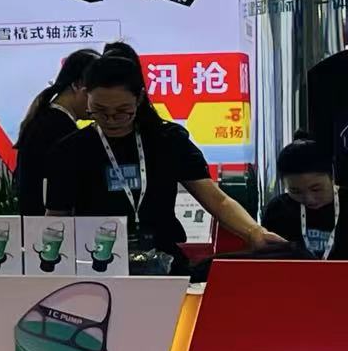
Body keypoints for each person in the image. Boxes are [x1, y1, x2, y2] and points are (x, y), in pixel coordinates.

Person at [45, 57, 278, 270]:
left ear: (139, 98)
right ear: (86, 96)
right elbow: (56, 216)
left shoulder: (168, 140)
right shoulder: (70, 150)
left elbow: (218, 201)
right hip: (97, 264)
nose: (111, 120)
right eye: (99, 111)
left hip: (164, 262)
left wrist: (254, 232)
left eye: (122, 111)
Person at [258, 135, 348, 260]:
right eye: (295, 191)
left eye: (316, 189)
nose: (309, 199)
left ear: (332, 176)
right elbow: (262, 262)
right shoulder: (278, 210)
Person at [14, 48, 98, 215]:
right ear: (77, 85)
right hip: (51, 225)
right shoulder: (60, 129)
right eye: (95, 91)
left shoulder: (44, 119)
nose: (100, 100)